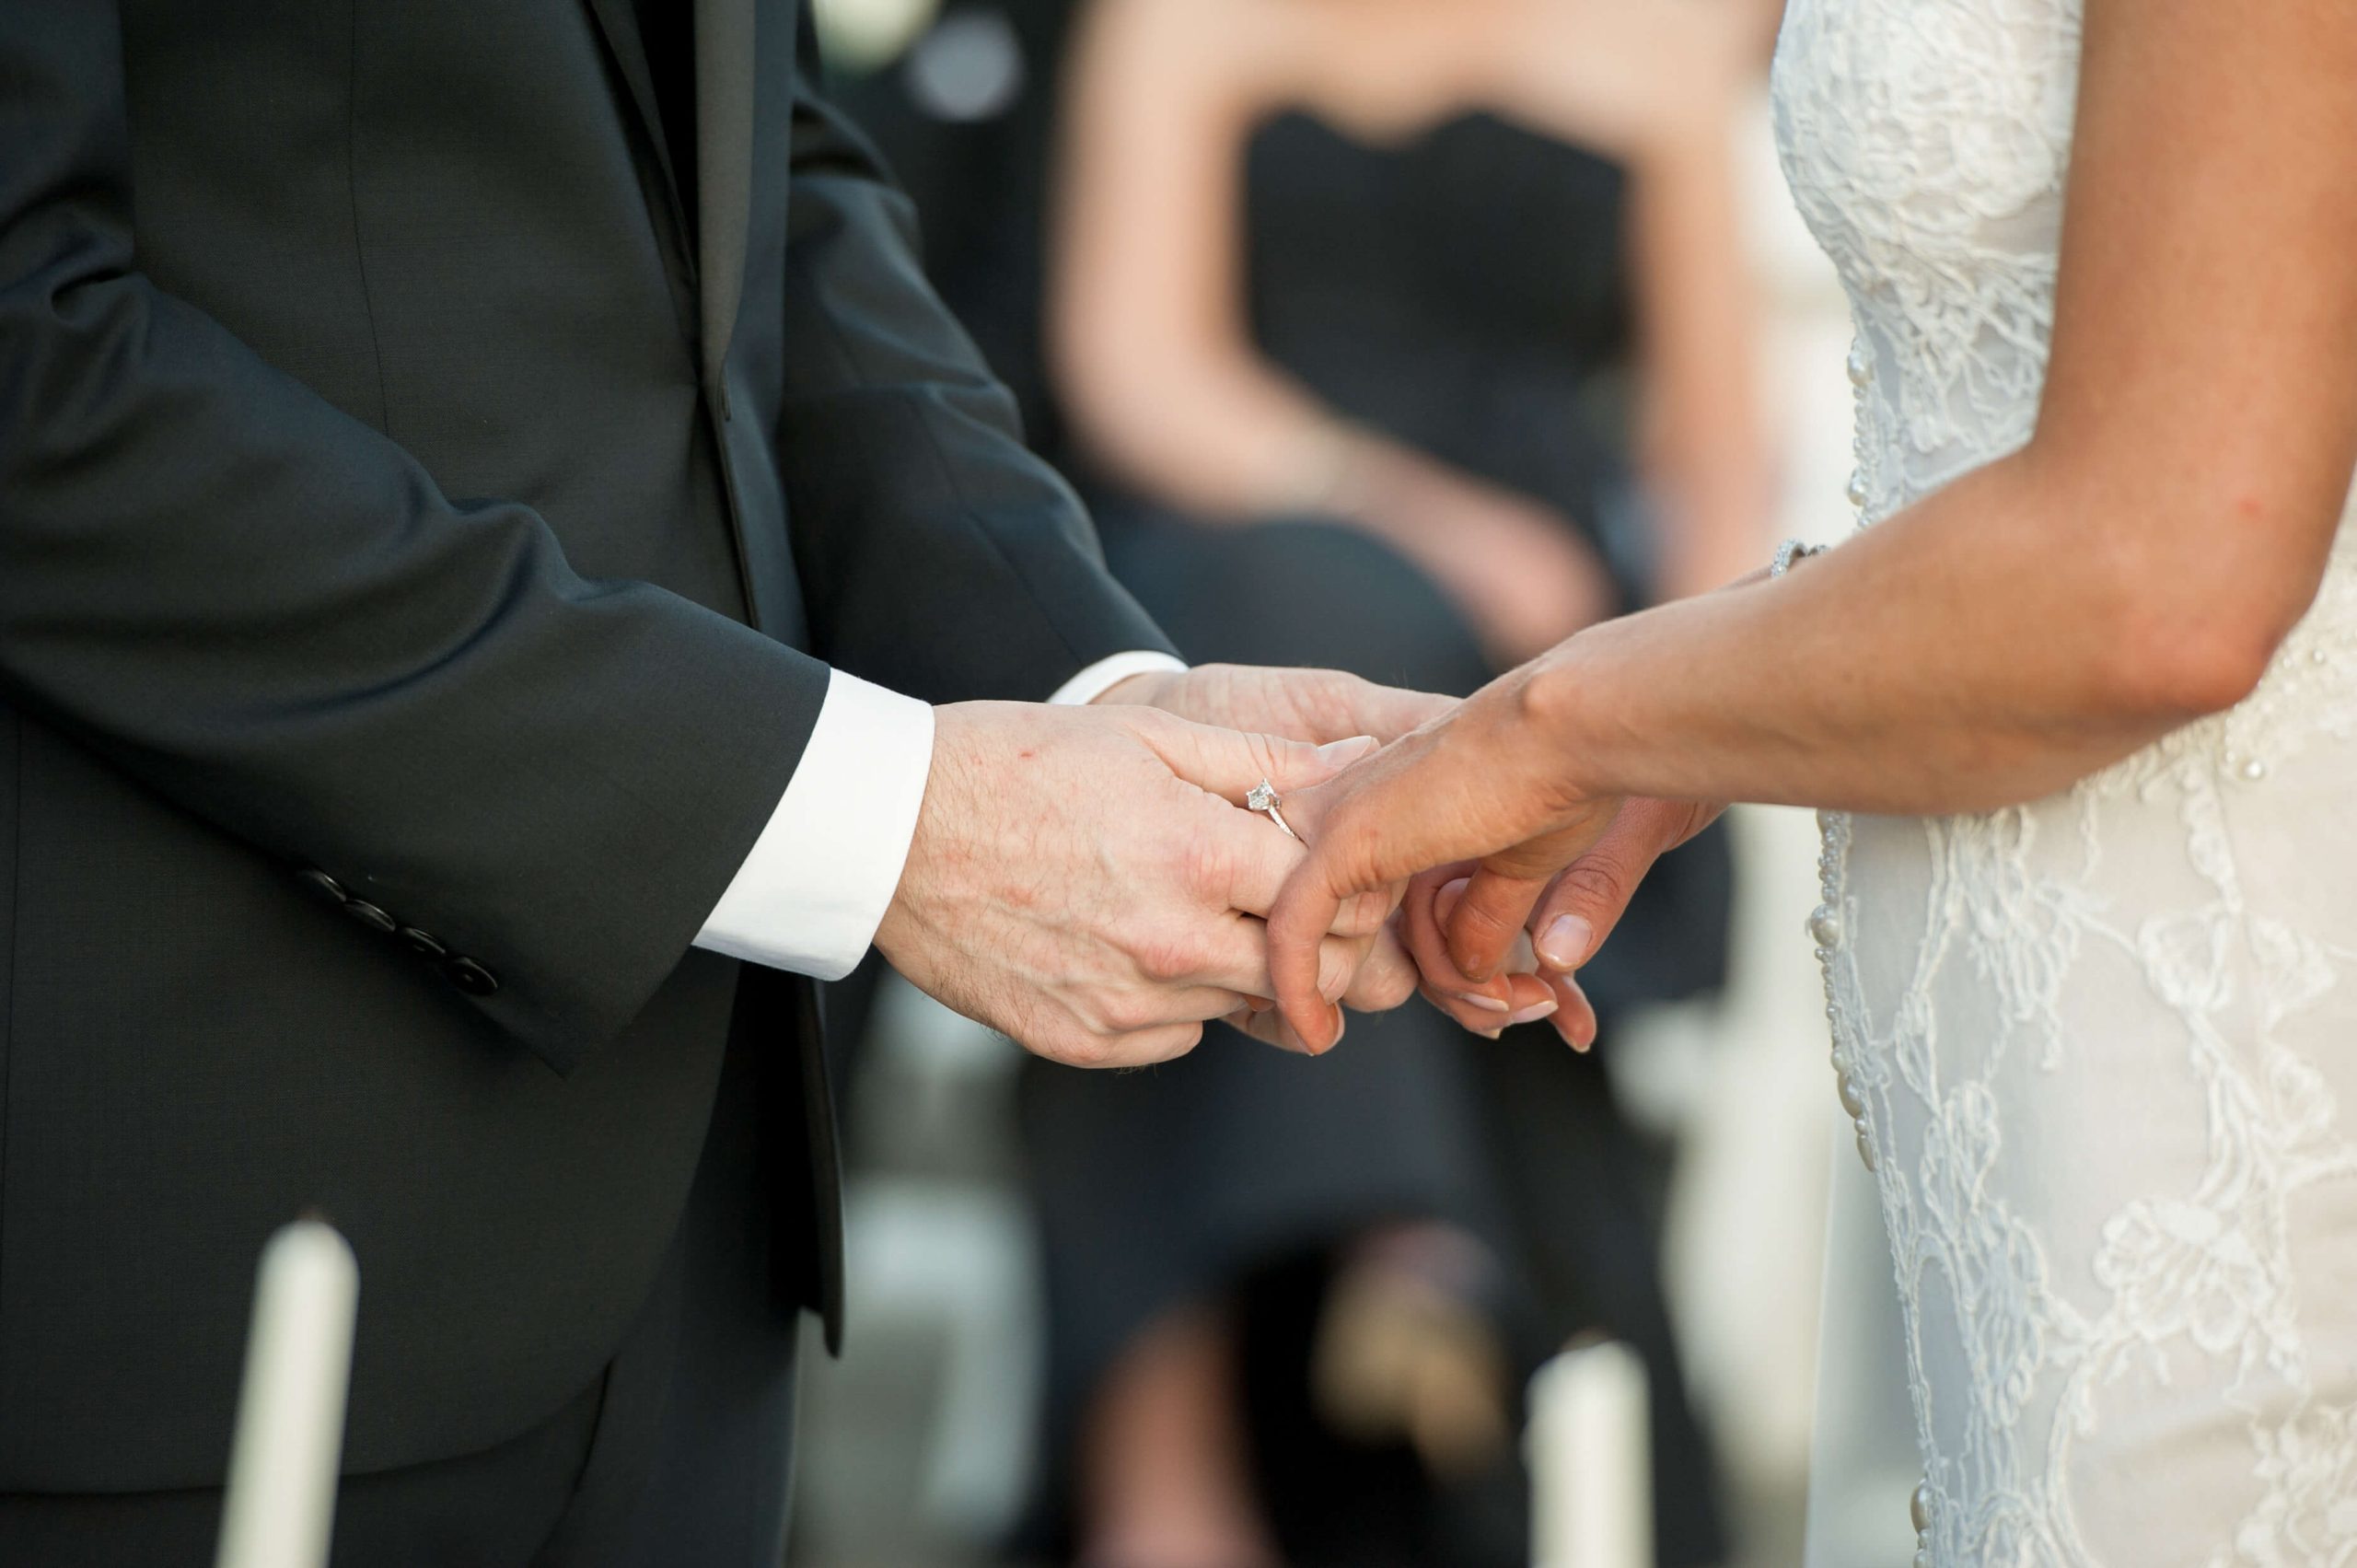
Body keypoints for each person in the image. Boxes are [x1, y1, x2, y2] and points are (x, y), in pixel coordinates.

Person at [0, 3, 1435, 1562]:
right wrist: (880, 823)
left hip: (689, 1266)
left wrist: (1099, 694)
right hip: (181, 1227)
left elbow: (774, 199)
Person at [1267, 0, 2357, 1560]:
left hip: (2248, 1000)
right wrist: (1725, 708)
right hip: (2007, 991)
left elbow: (2169, 571)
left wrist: (1559, 724)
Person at [1020, 0, 1778, 1561]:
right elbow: (1141, 367)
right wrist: (1421, 526)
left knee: (1254, 787)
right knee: (1254, 666)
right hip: (1251, 564)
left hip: (1556, 665)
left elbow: (1718, 464)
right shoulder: (1175, 20)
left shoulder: (1670, 31)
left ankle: (1170, 1473)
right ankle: (1407, 1239)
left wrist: (1660, 718)